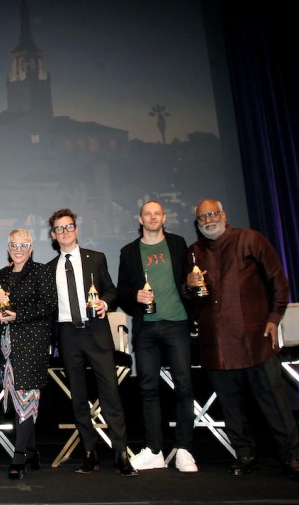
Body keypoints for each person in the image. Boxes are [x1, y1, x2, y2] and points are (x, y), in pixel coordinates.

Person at [187, 199, 299, 482]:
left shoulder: (250, 239)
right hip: (217, 344)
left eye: (212, 214)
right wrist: (188, 286)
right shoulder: (194, 253)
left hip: (255, 339)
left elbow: (278, 281)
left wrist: (274, 317)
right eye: (202, 218)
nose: (208, 220)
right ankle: (244, 455)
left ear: (223, 214)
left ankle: (291, 459)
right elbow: (190, 297)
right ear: (197, 224)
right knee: (231, 406)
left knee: (274, 403)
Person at [46, 208, 137, 476]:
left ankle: (121, 453)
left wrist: (105, 303)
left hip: (96, 332)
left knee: (110, 393)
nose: (65, 231)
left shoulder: (95, 258)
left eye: (69, 226)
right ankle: (89, 453)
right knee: (79, 398)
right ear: (53, 235)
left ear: (76, 229)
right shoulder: (49, 269)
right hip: (68, 336)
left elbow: (112, 290)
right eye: (59, 228)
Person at [116, 201, 198, 473]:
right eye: (147, 214)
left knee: (184, 386)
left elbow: (188, 282)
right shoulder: (128, 251)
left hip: (177, 323)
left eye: (157, 213)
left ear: (163, 218)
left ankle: (184, 450)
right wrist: (134, 297)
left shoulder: (178, 244)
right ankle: (154, 450)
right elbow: (122, 292)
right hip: (146, 328)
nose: (152, 217)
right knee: (148, 388)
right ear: (140, 218)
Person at [0, 229, 56, 479]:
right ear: (8, 247)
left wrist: (19, 315)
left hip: (32, 344)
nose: (18, 248)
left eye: (23, 244)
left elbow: (49, 305)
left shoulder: (41, 271)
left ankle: (19, 457)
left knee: (27, 396)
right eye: (13, 244)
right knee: (18, 398)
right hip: (7, 346)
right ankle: (32, 451)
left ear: (31, 247)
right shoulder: (2, 274)